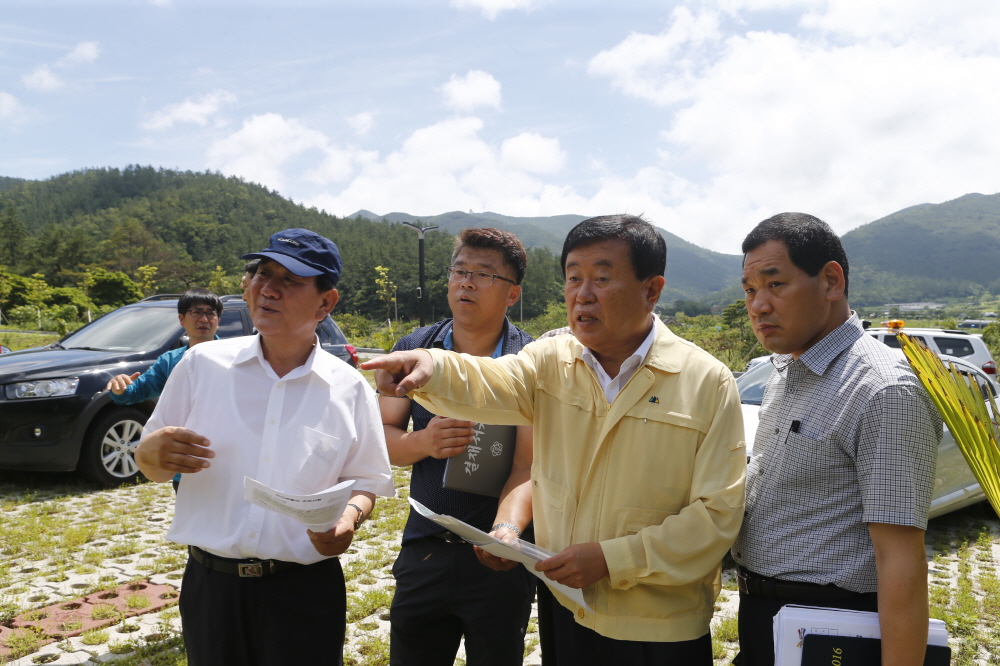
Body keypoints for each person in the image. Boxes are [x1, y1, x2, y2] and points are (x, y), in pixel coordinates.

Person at [363, 214, 747, 665]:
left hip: (661, 624)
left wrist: (612, 559)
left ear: (652, 290)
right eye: (573, 278)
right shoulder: (549, 361)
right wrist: (433, 365)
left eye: (602, 278)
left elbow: (718, 516)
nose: (583, 294)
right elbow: (491, 379)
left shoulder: (707, 381)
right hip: (566, 607)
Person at [135, 228, 394, 666]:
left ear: (326, 303)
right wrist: (148, 455)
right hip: (211, 589)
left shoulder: (347, 386)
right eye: (260, 273)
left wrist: (349, 519)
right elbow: (153, 461)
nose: (267, 289)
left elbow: (368, 480)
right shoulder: (201, 365)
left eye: (290, 280)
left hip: (304, 593)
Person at [732, 213, 942, 666]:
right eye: (750, 289)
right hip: (763, 615)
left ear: (830, 280)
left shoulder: (883, 389)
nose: (758, 305)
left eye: (775, 284)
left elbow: (901, 560)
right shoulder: (785, 372)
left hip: (833, 628)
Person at [381, 227, 535, 666]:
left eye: (484, 274)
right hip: (424, 548)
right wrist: (423, 442)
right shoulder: (414, 348)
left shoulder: (530, 359)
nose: (466, 282)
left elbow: (528, 465)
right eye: (459, 271)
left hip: (500, 558)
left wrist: (505, 532)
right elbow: (384, 440)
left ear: (512, 294)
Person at [105, 288, 222, 405]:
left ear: (218, 321)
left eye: (211, 314)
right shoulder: (170, 361)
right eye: (196, 312)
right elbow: (137, 391)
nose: (204, 319)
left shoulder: (232, 356)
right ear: (182, 319)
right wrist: (120, 388)